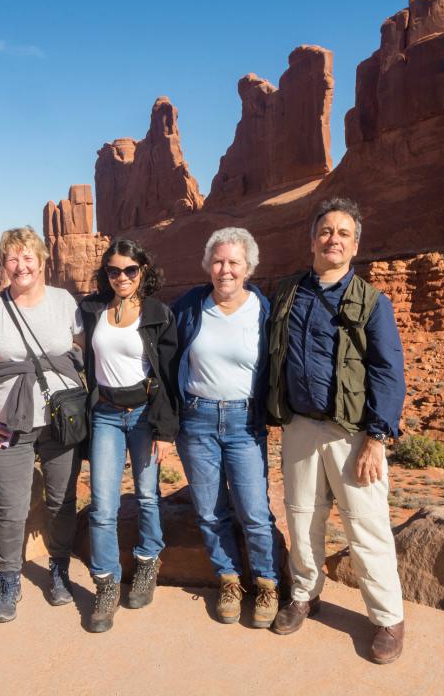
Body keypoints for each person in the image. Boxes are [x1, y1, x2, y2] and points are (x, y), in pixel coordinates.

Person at [265, 197, 407, 663]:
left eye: (343, 233)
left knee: (366, 526)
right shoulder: (287, 293)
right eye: (326, 231)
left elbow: (388, 372)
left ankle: (387, 618)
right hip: (300, 428)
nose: (334, 240)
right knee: (303, 516)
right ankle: (304, 594)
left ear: (355, 245)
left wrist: (377, 437)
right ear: (312, 240)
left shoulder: (371, 301)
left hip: (353, 434)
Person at [0, 226, 83, 623]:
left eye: (28, 256)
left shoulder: (64, 302)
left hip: (61, 421)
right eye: (12, 258)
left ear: (42, 260)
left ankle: (59, 570)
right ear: (3, 265)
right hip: (7, 423)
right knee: (11, 507)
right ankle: (9, 579)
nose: (21, 265)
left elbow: (86, 352)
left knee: (61, 500)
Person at [172, 227, 281, 628]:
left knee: (254, 510)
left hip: (244, 421)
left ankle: (267, 582)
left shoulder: (263, 310)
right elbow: (163, 351)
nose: (225, 270)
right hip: (196, 419)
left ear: (248, 266)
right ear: (207, 264)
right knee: (210, 510)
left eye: (234, 262)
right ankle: (229, 579)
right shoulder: (189, 306)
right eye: (218, 261)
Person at [79, 238, 178, 633]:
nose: (122, 277)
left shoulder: (157, 313)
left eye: (130, 270)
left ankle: (148, 561)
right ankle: (105, 584)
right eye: (114, 271)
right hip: (105, 413)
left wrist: (165, 430)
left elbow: (169, 374)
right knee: (103, 505)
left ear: (143, 271)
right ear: (106, 274)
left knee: (148, 494)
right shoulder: (91, 309)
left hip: (144, 416)